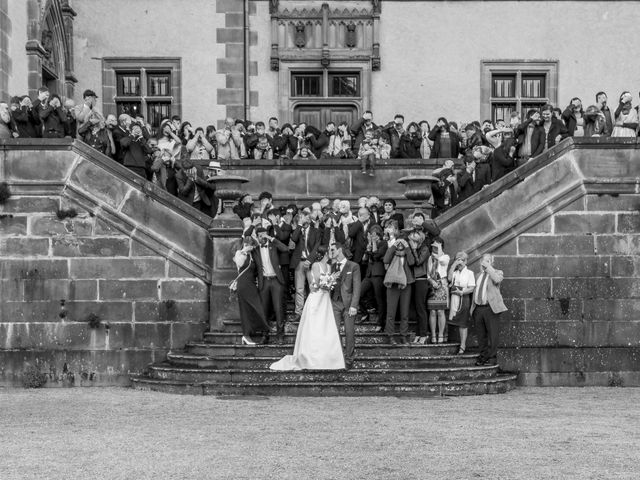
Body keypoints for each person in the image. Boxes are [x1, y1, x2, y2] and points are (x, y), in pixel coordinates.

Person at [270, 245, 346, 370]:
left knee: (325, 326)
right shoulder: (316, 265)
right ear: (325, 254)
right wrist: (332, 278)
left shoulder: (329, 266)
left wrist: (331, 280)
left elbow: (326, 284)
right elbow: (317, 282)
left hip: (325, 300)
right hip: (316, 299)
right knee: (315, 326)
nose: (332, 253)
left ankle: (328, 358)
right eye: (330, 251)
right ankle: (311, 357)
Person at [233, 236, 271, 345]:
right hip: (243, 285)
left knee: (256, 307)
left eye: (252, 245)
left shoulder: (252, 255)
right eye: (249, 245)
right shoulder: (239, 253)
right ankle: (246, 335)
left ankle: (257, 329)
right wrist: (244, 251)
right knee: (245, 309)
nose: (251, 247)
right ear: (245, 244)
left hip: (252, 285)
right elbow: (239, 264)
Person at [329, 242, 361, 369]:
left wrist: (354, 305)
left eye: (332, 250)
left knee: (349, 332)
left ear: (339, 250)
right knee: (334, 331)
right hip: (335, 302)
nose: (330, 252)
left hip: (348, 304)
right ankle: (337, 358)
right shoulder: (331, 266)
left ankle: (349, 359)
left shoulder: (353, 266)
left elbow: (357, 287)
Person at [471, 253, 507, 365]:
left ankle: (492, 358)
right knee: (481, 335)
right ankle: (483, 356)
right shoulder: (477, 275)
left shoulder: (497, 272)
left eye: (488, 261)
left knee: (493, 334)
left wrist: (489, 268)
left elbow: (497, 280)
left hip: (490, 308)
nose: (485, 263)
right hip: (478, 308)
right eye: (484, 260)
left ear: (492, 263)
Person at [254, 227, 289, 344]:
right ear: (257, 237)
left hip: (276, 281)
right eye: (260, 236)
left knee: (278, 308)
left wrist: (271, 238)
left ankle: (280, 335)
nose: (262, 238)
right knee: (264, 310)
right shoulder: (255, 249)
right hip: (264, 281)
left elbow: (285, 249)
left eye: (264, 235)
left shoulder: (273, 245)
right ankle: (265, 335)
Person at [383, 232, 415, 344]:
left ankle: (403, 335)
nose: (400, 244)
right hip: (393, 285)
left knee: (404, 312)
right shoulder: (393, 253)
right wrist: (393, 246)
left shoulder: (407, 253)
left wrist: (407, 248)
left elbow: (412, 262)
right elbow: (385, 260)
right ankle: (390, 336)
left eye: (403, 242)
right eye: (399, 242)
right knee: (391, 312)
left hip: (406, 284)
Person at [447, 251, 476, 354]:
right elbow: (449, 279)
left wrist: (462, 292)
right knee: (453, 320)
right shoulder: (454, 273)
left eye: (462, 260)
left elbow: (471, 288)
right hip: (454, 298)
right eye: (458, 260)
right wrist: (453, 265)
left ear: (466, 261)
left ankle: (463, 345)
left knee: (463, 323)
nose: (460, 263)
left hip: (464, 299)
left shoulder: (469, 273)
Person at [426, 237, 450, 344]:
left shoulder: (445, 256)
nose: (434, 246)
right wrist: (432, 282)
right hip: (433, 285)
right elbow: (427, 274)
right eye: (433, 245)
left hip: (442, 285)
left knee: (440, 311)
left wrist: (439, 250)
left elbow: (441, 261)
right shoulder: (430, 258)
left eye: (437, 245)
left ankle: (441, 334)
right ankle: (433, 335)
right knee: (432, 311)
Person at [408, 229, 430, 344]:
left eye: (413, 239)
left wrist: (414, 249)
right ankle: (418, 333)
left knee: (421, 308)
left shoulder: (425, 248)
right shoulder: (413, 249)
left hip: (421, 280)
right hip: (413, 280)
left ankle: (424, 334)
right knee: (416, 309)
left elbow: (418, 262)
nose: (411, 240)